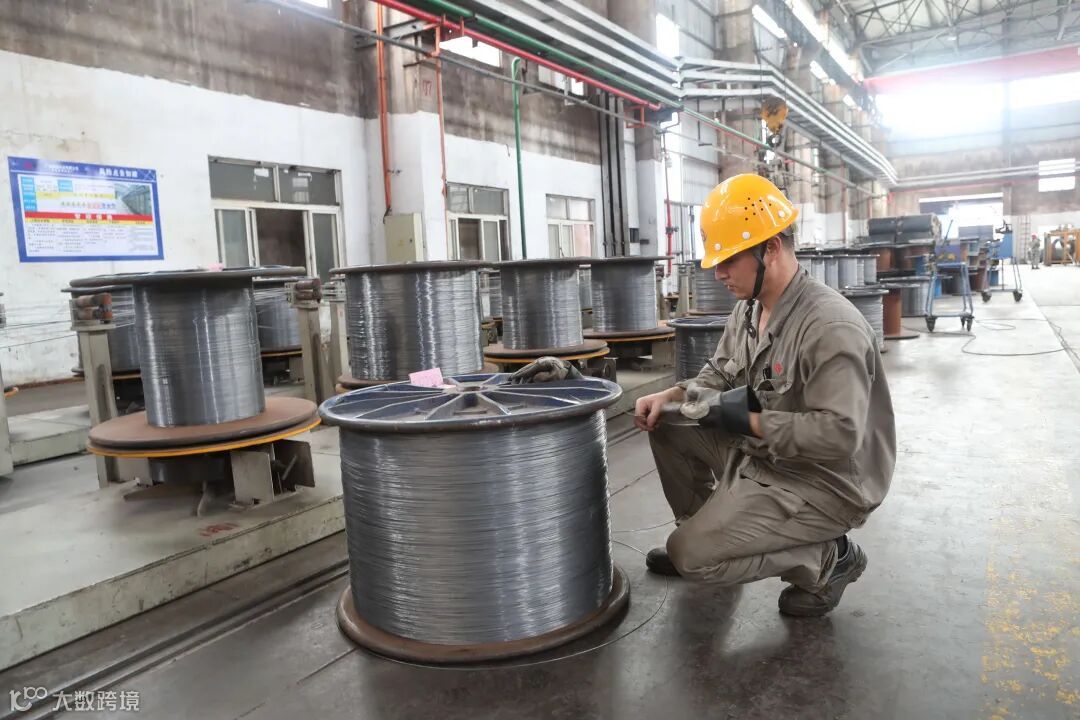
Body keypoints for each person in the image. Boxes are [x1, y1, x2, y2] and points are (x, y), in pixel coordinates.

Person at [633, 174, 896, 617]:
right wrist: (673, 393)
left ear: (770, 248)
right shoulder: (749, 310)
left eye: (729, 260)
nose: (718, 273)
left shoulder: (830, 328)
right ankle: (707, 532)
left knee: (690, 557)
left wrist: (750, 421)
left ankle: (828, 559)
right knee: (670, 421)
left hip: (822, 481)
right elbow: (720, 373)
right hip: (763, 452)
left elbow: (839, 434)